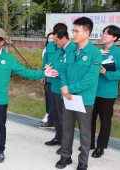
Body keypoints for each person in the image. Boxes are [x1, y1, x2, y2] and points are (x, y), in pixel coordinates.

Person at [0, 27, 59, 164]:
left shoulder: (9, 59)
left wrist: (43, 73)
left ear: (2, 42)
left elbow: (26, 72)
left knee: (0, 127)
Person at [56, 17, 102, 170]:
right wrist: (64, 88)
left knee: (85, 133)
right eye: (73, 31)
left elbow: (90, 79)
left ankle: (83, 161)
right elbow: (62, 70)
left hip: (84, 99)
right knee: (67, 128)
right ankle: (65, 156)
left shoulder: (95, 54)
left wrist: (70, 89)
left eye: (76, 31)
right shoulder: (69, 50)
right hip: (68, 97)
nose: (73, 34)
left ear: (87, 32)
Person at [44, 23, 76, 155]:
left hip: (65, 88)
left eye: (56, 40)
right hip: (54, 85)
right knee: (56, 115)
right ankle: (58, 137)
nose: (54, 42)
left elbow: (71, 69)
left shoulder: (73, 49)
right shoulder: (60, 48)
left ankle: (65, 143)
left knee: (65, 118)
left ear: (63, 38)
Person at [90, 25, 120, 158]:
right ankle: (88, 142)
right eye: (103, 33)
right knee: (89, 118)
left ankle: (100, 147)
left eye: (107, 34)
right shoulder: (98, 51)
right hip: (92, 91)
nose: (103, 36)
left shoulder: (118, 53)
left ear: (115, 37)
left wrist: (106, 73)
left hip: (107, 93)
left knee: (105, 120)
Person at [41, 33, 54, 123]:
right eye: (49, 38)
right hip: (48, 76)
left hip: (55, 77)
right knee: (49, 98)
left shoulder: (60, 49)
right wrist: (43, 75)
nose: (51, 40)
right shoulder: (46, 50)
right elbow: (45, 63)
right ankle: (49, 116)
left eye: (53, 38)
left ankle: (52, 119)